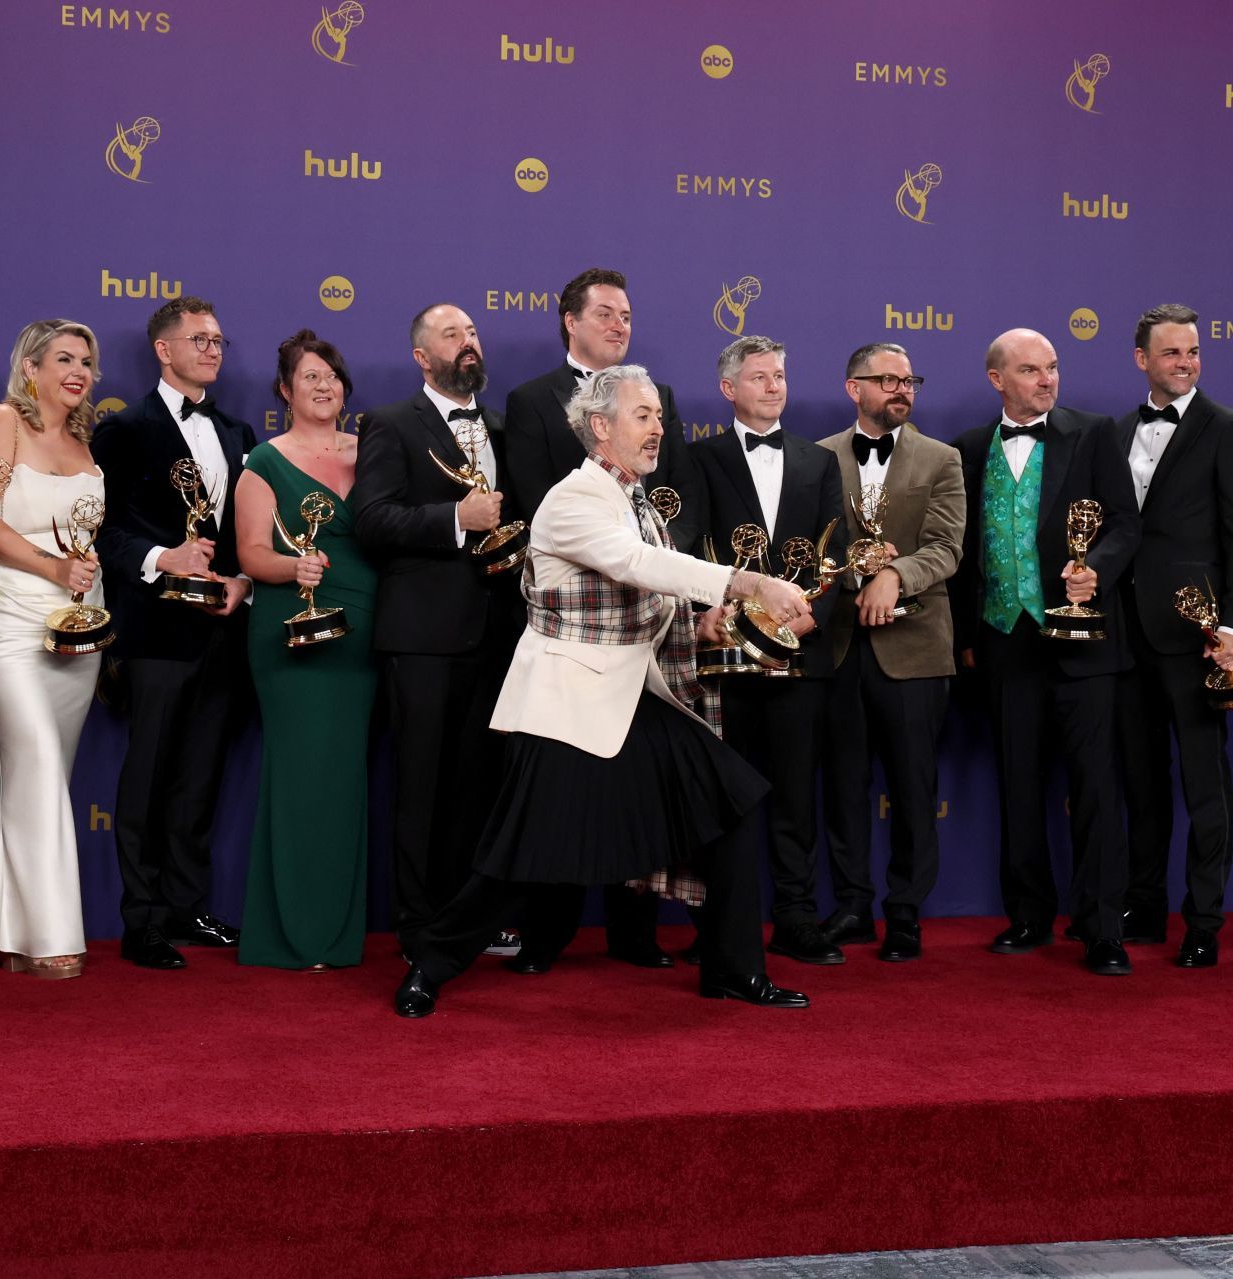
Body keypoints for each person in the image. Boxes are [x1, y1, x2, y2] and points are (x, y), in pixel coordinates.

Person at [395, 365, 813, 1017]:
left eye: (659, 416)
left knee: (732, 802)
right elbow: (634, 564)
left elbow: (649, 590)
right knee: (518, 858)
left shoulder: (635, 499)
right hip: (570, 705)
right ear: (600, 427)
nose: (657, 430)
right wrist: (749, 583)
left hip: (632, 695)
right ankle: (430, 965)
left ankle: (734, 969)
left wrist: (698, 616)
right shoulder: (573, 499)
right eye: (641, 416)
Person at [501, 267, 702, 966]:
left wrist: (680, 587)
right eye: (608, 313)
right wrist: (733, 583)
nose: (621, 324)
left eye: (628, 314)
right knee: (557, 799)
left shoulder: (656, 394)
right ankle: (543, 933)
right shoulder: (530, 403)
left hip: (645, 637)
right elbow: (539, 511)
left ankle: (636, 931)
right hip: (576, 635)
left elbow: (662, 502)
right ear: (570, 320)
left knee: (634, 792)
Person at [951, 329, 1140, 976]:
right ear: (997, 378)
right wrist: (965, 637)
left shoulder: (1094, 433)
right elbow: (963, 554)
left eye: (1053, 367)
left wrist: (1101, 572)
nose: (1047, 379)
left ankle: (1102, 927)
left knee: (1093, 787)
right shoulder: (971, 448)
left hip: (1085, 640)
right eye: (1031, 370)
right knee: (1018, 784)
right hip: (1005, 639)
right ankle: (1028, 914)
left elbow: (1125, 521)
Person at [351, 304, 525, 958]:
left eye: (473, 333)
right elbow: (371, 520)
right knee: (421, 787)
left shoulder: (508, 429)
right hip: (422, 635)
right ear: (422, 356)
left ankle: (469, 920)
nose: (469, 343)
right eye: (453, 335)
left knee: (478, 788)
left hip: (499, 635)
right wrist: (457, 516)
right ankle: (419, 925)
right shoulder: (391, 425)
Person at [92, 298, 255, 970]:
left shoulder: (238, 431)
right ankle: (143, 921)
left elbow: (248, 533)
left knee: (199, 776)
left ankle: (189, 907)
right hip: (156, 627)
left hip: (223, 628)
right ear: (163, 349)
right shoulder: (124, 430)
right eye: (199, 339)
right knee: (150, 776)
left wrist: (241, 581)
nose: (213, 349)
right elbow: (102, 531)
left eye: (219, 339)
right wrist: (164, 560)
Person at [0, 320, 107, 980]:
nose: (79, 370)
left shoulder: (81, 439)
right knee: (37, 762)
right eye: (65, 358)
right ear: (31, 367)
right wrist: (49, 566)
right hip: (10, 619)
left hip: (80, 626)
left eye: (88, 361)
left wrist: (78, 578)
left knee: (37, 775)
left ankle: (10, 931)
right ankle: (49, 935)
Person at [1110, 305, 1233, 969]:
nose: (1185, 363)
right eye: (1171, 353)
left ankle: (1203, 919)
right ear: (1141, 358)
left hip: (1196, 638)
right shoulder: (1114, 431)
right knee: (1139, 782)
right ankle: (1143, 906)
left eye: (1193, 352)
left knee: (1205, 784)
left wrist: (1231, 625)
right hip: (1123, 635)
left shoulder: (1229, 429)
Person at [691, 335, 847, 966]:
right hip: (725, 661)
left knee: (795, 797)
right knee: (723, 796)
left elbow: (835, 554)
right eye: (759, 377)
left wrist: (804, 623)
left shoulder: (818, 460)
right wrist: (727, 622)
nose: (774, 386)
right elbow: (684, 547)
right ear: (730, 389)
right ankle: (720, 924)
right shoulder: (698, 458)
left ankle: (796, 918)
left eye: (780, 375)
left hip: (802, 659)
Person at [234, 331, 378, 970]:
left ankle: (337, 931)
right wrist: (294, 569)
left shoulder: (373, 451)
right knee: (302, 779)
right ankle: (291, 933)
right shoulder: (263, 462)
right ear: (285, 390)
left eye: (333, 377)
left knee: (345, 782)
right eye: (311, 377)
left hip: (369, 637)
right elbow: (251, 554)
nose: (325, 387)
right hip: (297, 632)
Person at [818, 342, 966, 962]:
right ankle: (852, 905)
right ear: (855, 388)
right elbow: (814, 548)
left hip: (916, 649)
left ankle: (905, 912)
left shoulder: (943, 458)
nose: (902, 390)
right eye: (888, 380)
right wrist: (855, 577)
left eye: (910, 381)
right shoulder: (819, 458)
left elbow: (947, 547)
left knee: (913, 785)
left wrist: (896, 575)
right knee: (844, 785)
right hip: (840, 649)